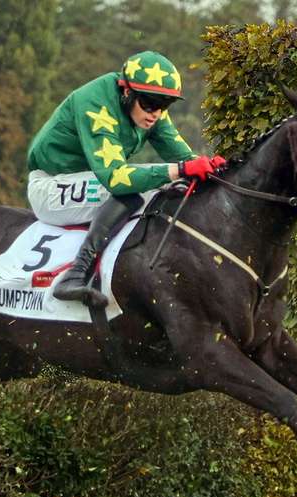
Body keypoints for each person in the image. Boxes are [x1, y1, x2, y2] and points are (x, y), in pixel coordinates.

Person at [27, 50, 226, 308]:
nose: (156, 113)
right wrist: (181, 169)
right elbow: (117, 179)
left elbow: (184, 158)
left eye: (165, 105)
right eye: (150, 104)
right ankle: (75, 276)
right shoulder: (95, 103)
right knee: (135, 190)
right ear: (126, 91)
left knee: (172, 186)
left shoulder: (150, 111)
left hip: (87, 181)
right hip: (50, 187)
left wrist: (210, 169)